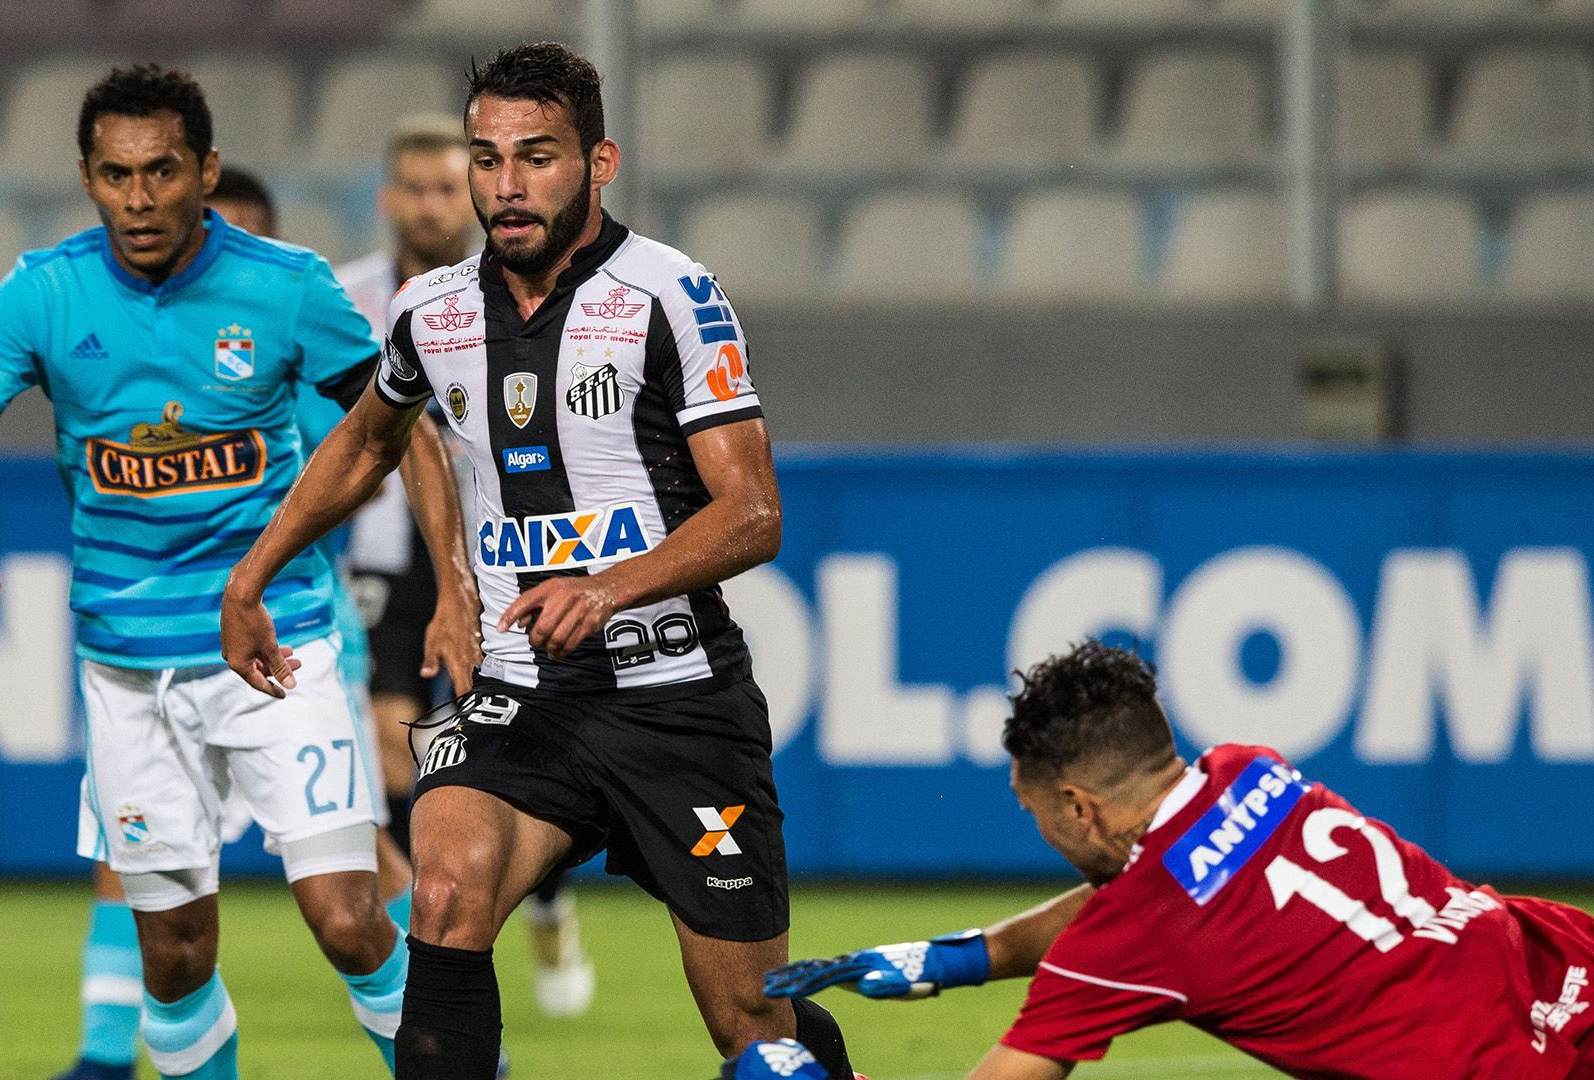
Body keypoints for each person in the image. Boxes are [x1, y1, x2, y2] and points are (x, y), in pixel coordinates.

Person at [220, 41, 857, 1080]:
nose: (505, 186)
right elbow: (369, 442)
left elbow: (753, 514)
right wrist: (251, 575)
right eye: (487, 157)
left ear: (598, 164)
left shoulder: (670, 295)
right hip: (526, 694)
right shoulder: (433, 311)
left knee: (755, 1032)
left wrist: (609, 588)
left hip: (678, 700)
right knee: (444, 884)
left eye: (537, 156)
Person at [0, 65, 481, 1080]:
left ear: (205, 171)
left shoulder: (287, 286)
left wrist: (456, 590)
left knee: (349, 918)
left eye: (161, 170)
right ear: (87, 177)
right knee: (172, 958)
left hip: (280, 649)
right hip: (129, 670)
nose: (138, 197)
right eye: (115, 174)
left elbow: (409, 434)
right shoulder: (41, 292)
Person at [761, 640, 1594, 1080]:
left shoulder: (1135, 936)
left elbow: (1132, 916)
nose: (1041, 829)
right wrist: (957, 959)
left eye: (1036, 809)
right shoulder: (1249, 768)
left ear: (1078, 805)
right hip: (1567, 972)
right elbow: (1145, 886)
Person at [45, 164, 403, 1080]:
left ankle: (448, 1040)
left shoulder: (297, 340)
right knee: (136, 869)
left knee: (359, 884)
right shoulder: (141, 343)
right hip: (157, 641)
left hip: (292, 628)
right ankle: (98, 1051)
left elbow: (386, 443)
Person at [335, 111, 595, 1020]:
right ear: (388, 198)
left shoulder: (516, 293)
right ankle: (433, 952)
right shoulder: (349, 297)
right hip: (384, 555)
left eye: (451, 186)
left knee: (511, 742)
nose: (434, 204)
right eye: (418, 187)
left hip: (497, 557)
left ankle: (548, 898)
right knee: (394, 748)